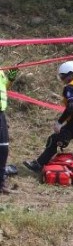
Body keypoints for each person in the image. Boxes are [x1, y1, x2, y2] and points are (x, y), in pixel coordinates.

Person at [24, 61, 73, 172]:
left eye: (62, 77)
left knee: (54, 139)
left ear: (70, 74)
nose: (62, 80)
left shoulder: (71, 87)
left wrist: (60, 122)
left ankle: (38, 165)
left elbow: (72, 106)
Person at [0, 67, 18, 195]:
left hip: (1, 112)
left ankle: (1, 183)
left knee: (3, 148)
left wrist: (10, 78)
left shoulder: (1, 71)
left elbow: (4, 87)